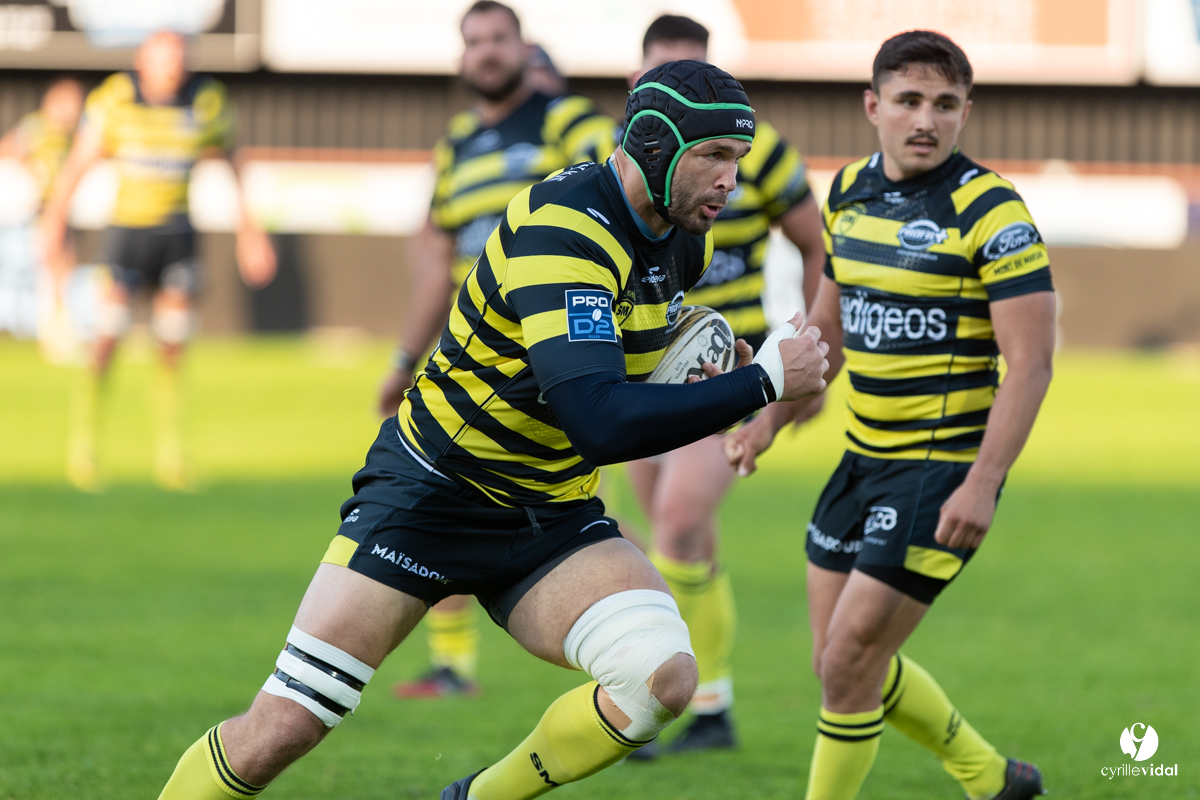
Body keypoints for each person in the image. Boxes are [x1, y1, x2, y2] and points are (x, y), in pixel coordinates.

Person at [154, 59, 832, 800]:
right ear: (654, 144)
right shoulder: (566, 231)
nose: (730, 180)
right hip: (431, 495)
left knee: (659, 677)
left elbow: (612, 372)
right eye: (713, 157)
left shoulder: (681, 240)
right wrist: (760, 384)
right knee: (284, 726)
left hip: (547, 512)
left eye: (736, 159)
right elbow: (598, 420)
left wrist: (712, 373)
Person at [724, 31, 1053, 800]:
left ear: (967, 111)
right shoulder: (846, 192)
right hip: (859, 462)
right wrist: (770, 416)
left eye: (944, 104)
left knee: (847, 665)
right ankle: (993, 779)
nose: (925, 120)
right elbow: (826, 331)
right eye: (908, 101)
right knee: (837, 660)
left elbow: (1031, 362)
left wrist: (983, 481)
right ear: (874, 106)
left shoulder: (990, 209)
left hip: (939, 473)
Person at [377, 0, 618, 700]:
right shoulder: (455, 142)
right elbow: (435, 261)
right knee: (440, 491)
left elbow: (624, 210)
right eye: (473, 41)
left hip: (548, 350)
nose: (485, 52)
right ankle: (453, 667)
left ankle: (644, 617)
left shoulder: (568, 122)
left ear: (523, 45)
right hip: (467, 359)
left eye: (498, 39)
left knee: (551, 499)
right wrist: (403, 360)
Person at [621, 13, 827, 757]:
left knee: (676, 522)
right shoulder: (614, 160)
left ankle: (651, 694)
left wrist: (801, 355)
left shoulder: (759, 149)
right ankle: (712, 706)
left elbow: (814, 242)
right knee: (675, 542)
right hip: (643, 368)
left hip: (728, 366)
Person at [41, 31, 275, 492]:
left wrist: (252, 233)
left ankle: (171, 455)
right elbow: (78, 163)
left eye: (179, 57)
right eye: (164, 57)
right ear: (143, 60)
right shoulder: (115, 99)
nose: (173, 66)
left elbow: (234, 161)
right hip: (127, 235)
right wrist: (55, 220)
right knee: (107, 341)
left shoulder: (206, 100)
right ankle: (84, 446)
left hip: (177, 235)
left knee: (172, 347)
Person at [0, 78, 83, 347]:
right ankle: (50, 333)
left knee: (63, 267)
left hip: (59, 209)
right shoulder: (38, 128)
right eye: (69, 102)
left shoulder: (71, 136)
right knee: (50, 267)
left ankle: (58, 327)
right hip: (41, 212)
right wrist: (28, 179)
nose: (74, 110)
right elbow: (8, 149)